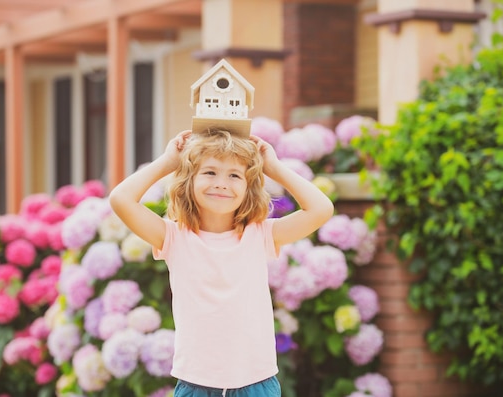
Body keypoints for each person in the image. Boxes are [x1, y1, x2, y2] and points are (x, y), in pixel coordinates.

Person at [109, 128, 334, 397]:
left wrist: (272, 167)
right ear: (189, 181)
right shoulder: (173, 236)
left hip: (256, 384)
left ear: (249, 187)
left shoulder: (260, 234)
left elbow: (321, 209)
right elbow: (120, 199)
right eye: (210, 172)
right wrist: (169, 163)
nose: (221, 183)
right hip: (196, 385)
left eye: (234, 175)